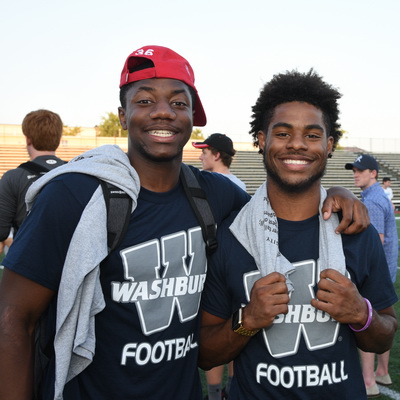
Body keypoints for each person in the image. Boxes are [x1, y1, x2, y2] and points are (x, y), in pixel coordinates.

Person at [0, 46, 369, 400]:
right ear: (123, 114)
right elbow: (13, 318)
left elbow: (282, 201)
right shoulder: (73, 195)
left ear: (193, 118)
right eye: (145, 100)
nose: (163, 112)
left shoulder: (215, 195)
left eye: (178, 102)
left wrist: (336, 191)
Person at [199, 70, 398, 399]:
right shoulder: (233, 234)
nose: (296, 144)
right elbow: (206, 354)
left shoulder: (355, 230)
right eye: (282, 132)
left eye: (311, 135)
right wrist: (248, 319)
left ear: (328, 145)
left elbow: (385, 336)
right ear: (262, 139)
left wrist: (361, 314)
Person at [193, 133, 243, 399]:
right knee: (235, 331)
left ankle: (214, 394)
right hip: (233, 275)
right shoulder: (239, 184)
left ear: (217, 154)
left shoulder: (216, 186)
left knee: (213, 333)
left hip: (213, 274)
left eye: (204, 151)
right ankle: (231, 390)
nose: (201, 156)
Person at [345, 154, 398, 397]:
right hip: (386, 270)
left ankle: (368, 381)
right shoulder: (376, 196)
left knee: (365, 321)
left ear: (373, 173)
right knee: (383, 320)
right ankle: (382, 372)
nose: (356, 173)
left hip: (375, 273)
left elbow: (374, 242)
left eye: (361, 170)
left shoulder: (373, 201)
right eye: (354, 170)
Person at [0, 109, 65, 253]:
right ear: (59, 139)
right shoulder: (78, 172)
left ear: (28, 139)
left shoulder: (13, 178)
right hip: (70, 263)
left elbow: (1, 232)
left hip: (27, 263)